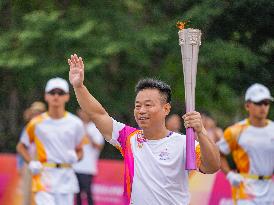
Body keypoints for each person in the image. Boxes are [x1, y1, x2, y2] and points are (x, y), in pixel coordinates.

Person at [68, 54, 220, 205]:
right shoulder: (128, 138)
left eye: (148, 105)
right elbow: (97, 113)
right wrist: (79, 87)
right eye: (138, 105)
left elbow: (212, 166)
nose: (141, 110)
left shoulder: (183, 143)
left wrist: (201, 132)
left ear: (166, 109)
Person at [16, 77, 85, 205]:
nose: (56, 96)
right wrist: (31, 163)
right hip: (44, 176)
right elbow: (21, 146)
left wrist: (76, 157)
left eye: (60, 93)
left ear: (67, 97)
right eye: (52, 92)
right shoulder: (36, 123)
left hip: (66, 178)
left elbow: (80, 151)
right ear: (46, 96)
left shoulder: (76, 124)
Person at [217, 83, 274, 204]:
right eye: (258, 103)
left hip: (269, 189)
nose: (263, 107)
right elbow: (217, 153)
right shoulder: (235, 131)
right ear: (247, 105)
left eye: (266, 103)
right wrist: (230, 175)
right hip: (245, 189)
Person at [17, 101, 46, 205]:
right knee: (27, 191)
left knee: (42, 193)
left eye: (38, 112)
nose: (36, 114)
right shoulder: (28, 128)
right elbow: (21, 148)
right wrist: (20, 165)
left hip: (44, 163)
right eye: (34, 112)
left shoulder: (47, 127)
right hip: (29, 161)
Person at [73, 109, 105, 205]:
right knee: (77, 193)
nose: (82, 114)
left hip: (88, 167)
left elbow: (99, 146)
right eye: (81, 112)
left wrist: (88, 134)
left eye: (85, 112)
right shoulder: (76, 127)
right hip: (75, 166)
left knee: (87, 192)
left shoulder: (95, 128)